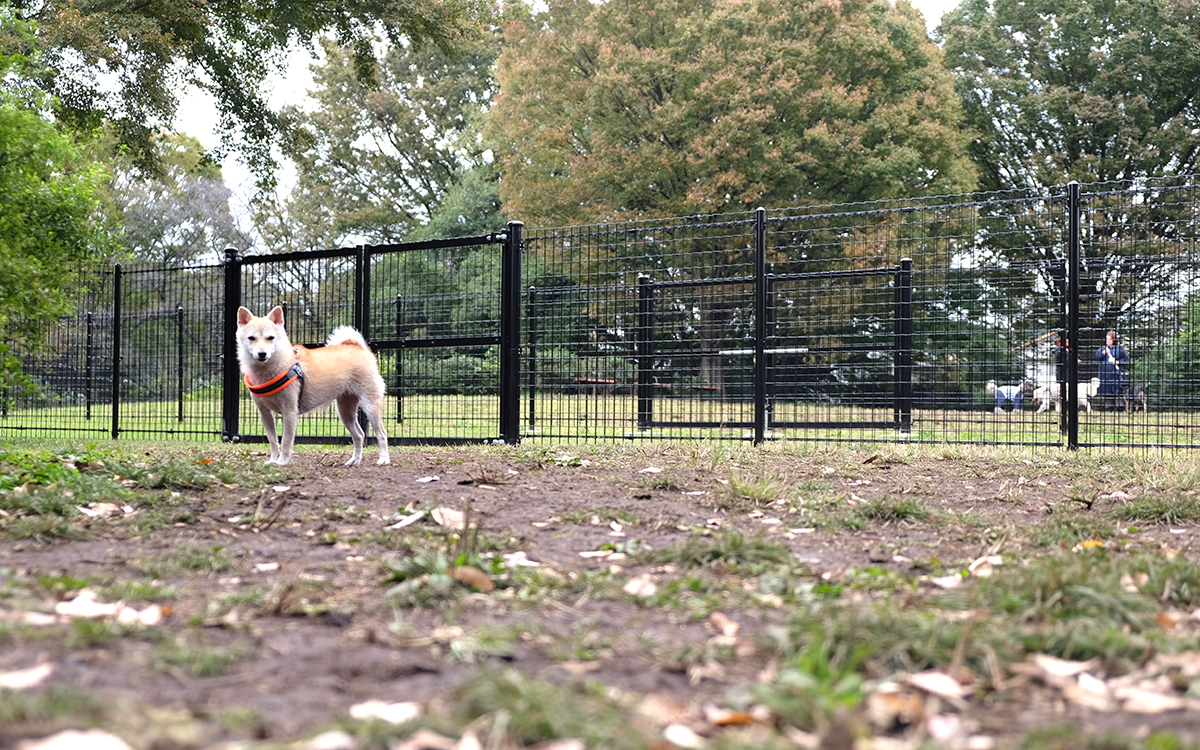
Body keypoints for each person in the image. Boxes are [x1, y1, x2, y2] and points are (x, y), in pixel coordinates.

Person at [1094, 330, 1129, 410]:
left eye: (1110, 339)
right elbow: (1097, 357)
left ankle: (1120, 407)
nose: (1108, 341)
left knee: (1118, 391)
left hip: (1116, 374)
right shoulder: (1103, 348)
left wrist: (1118, 362)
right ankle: (1109, 407)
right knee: (1108, 392)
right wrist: (1103, 353)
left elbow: (1126, 359)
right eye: (1107, 339)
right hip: (1106, 374)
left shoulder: (1120, 348)